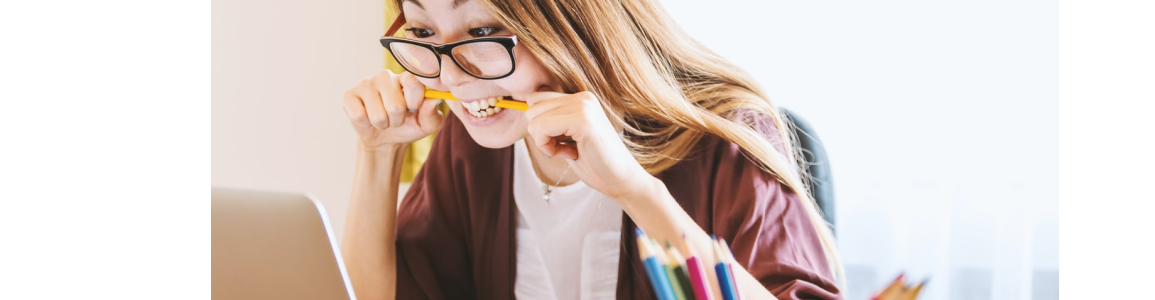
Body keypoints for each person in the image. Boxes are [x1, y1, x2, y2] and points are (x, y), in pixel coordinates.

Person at [340, 0, 844, 299]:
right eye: (423, 32)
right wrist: (377, 153)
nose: (451, 76)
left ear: (571, 22)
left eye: (484, 31)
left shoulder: (723, 138)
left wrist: (631, 188)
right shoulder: (476, 141)